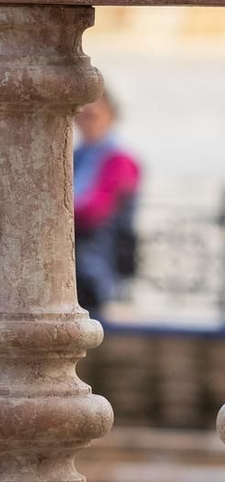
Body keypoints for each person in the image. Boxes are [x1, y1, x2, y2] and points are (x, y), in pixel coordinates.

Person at [72, 88, 142, 315]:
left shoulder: (120, 161)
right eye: (81, 115)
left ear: (110, 115)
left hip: (96, 266)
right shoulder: (76, 156)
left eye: (93, 115)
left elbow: (94, 211)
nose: (86, 121)